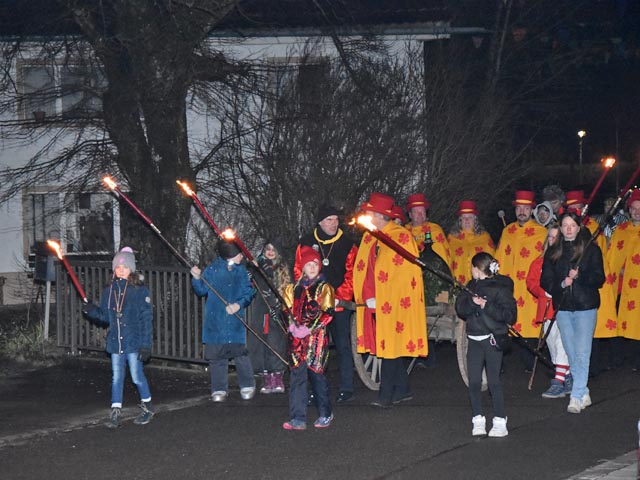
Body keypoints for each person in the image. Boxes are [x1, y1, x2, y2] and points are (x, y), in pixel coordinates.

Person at [354, 192, 428, 407]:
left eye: (369, 212)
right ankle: (403, 389)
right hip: (373, 301)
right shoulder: (370, 236)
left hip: (395, 302)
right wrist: (368, 295)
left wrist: (385, 296)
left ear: (378, 215)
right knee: (386, 345)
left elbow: (404, 274)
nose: (366, 214)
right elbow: (365, 268)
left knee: (389, 347)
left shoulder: (400, 237)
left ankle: (385, 396)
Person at [82, 247, 155, 428]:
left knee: (137, 376)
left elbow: (146, 320)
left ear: (132, 269)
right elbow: (106, 317)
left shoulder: (140, 292)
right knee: (117, 377)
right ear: (114, 269)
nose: (121, 270)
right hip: (116, 342)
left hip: (134, 342)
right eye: (118, 267)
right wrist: (91, 311)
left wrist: (145, 345)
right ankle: (115, 411)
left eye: (125, 266)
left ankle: (148, 407)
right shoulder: (110, 291)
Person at [541, 210, 605, 413]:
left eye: (572, 225)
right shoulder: (553, 252)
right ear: (560, 228)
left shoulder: (591, 250)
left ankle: (576, 396)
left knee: (582, 352)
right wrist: (562, 283)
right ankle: (583, 390)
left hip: (586, 307)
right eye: (565, 225)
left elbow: (599, 278)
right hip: (564, 307)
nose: (569, 229)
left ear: (579, 227)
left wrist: (580, 276)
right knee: (570, 350)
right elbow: (546, 280)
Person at [294, 205, 358, 403]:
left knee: (343, 345)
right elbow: (298, 270)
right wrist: (312, 294)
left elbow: (352, 274)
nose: (334, 223)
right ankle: (317, 388)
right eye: (330, 220)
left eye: (336, 220)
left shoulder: (348, 244)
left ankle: (346, 387)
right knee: (315, 348)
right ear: (320, 222)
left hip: (338, 304)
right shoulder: (306, 242)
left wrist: (339, 296)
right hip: (315, 305)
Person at [455, 252, 516, 437]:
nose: (471, 271)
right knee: (474, 382)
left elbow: (510, 316)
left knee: (494, 381)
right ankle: (478, 418)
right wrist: (472, 303)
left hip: (491, 339)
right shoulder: (470, 286)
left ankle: (500, 420)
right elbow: (461, 309)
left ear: (477, 268)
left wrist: (486, 306)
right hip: (474, 340)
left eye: (472, 267)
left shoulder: (501, 287)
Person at [190, 241, 256, 402]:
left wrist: (238, 304)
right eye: (239, 253)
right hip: (216, 321)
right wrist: (196, 278)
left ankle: (247, 383)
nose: (242, 256)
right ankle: (219, 388)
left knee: (240, 353)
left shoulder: (241, 271)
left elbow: (248, 292)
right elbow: (201, 290)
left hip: (234, 321)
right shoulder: (213, 269)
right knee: (217, 357)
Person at [563, 190, 620, 375]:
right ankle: (573, 372)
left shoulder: (594, 228)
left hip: (588, 285)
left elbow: (600, 257)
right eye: (572, 208)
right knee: (571, 337)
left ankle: (590, 369)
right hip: (568, 289)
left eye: (579, 208)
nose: (576, 211)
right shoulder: (564, 231)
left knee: (590, 331)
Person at [282, 246, 335, 430]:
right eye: (308, 264)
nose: (312, 267)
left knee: (316, 376)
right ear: (302, 267)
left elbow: (327, 313)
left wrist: (309, 329)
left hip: (315, 341)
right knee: (297, 376)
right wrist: (290, 325)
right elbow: (286, 310)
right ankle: (298, 417)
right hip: (296, 342)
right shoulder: (293, 288)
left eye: (315, 264)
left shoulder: (324, 288)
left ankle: (325, 412)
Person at [494, 190, 547, 371]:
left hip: (530, 287)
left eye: (525, 208)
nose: (522, 211)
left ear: (531, 210)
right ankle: (498, 364)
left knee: (530, 326)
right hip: (510, 287)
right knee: (504, 324)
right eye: (519, 208)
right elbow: (499, 258)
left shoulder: (541, 233)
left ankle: (530, 363)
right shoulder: (507, 231)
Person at [526, 224, 572, 398]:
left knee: (562, 344)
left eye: (556, 237)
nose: (553, 240)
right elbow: (531, 282)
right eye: (550, 237)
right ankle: (566, 376)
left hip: (562, 308)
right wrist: (543, 291)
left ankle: (558, 382)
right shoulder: (538, 262)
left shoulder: (565, 261)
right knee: (552, 345)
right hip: (546, 308)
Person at [247, 240, 290, 394]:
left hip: (276, 310)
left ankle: (277, 376)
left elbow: (286, 291)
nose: (270, 252)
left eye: (273, 249)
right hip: (261, 310)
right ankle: (267, 377)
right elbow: (251, 287)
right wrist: (253, 270)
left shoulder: (282, 269)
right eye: (267, 249)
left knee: (276, 342)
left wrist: (279, 307)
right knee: (263, 342)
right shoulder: (258, 268)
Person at [607, 189, 640, 370]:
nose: (637, 212)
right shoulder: (621, 230)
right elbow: (613, 255)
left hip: (638, 287)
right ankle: (617, 360)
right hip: (620, 286)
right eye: (634, 208)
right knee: (617, 320)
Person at [447, 200, 495, 286]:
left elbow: (491, 262)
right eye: (464, 217)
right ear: (460, 220)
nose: (467, 220)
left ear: (475, 219)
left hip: (481, 284)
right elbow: (447, 262)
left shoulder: (485, 237)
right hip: (458, 283)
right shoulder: (452, 238)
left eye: (470, 217)